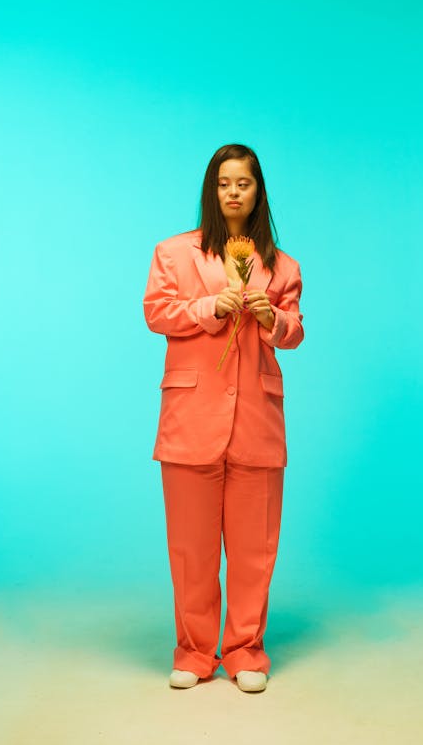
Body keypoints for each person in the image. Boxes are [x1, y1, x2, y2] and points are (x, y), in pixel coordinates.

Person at [143, 143, 304, 692]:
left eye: (245, 182)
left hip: (257, 418)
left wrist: (273, 318)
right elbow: (156, 312)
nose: (234, 191)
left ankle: (245, 651)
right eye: (224, 182)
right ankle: (192, 652)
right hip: (190, 417)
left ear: (259, 192)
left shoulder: (282, 265)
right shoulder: (173, 253)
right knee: (191, 547)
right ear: (211, 191)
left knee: (255, 548)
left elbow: (296, 330)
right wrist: (209, 308)